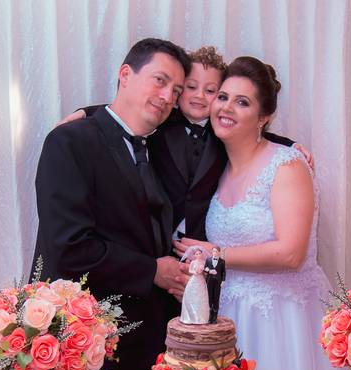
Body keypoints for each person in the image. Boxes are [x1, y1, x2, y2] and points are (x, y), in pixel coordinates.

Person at [175, 56, 351, 370]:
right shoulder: (217, 169)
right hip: (229, 317)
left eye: (242, 102)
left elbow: (291, 253)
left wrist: (216, 253)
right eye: (223, 97)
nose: (226, 108)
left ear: (264, 117)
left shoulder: (287, 165)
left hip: (283, 320)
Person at [31, 38, 191, 370]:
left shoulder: (160, 147)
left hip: (145, 347)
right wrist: (153, 270)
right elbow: (69, 245)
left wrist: (286, 144)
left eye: (176, 91)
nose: (167, 97)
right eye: (160, 80)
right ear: (125, 75)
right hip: (79, 340)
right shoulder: (70, 141)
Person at [60, 46, 310, 249]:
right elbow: (125, 111)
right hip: (158, 243)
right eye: (190, 87)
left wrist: (291, 144)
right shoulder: (159, 123)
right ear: (178, 90)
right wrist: (85, 112)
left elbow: (254, 132)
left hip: (203, 243)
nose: (199, 96)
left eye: (211, 91)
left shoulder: (223, 132)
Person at [179, 246, 209, 324]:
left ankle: (202, 317)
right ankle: (191, 317)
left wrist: (204, 271)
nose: (198, 255)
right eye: (196, 254)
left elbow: (206, 270)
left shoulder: (203, 262)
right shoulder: (193, 262)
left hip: (201, 279)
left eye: (199, 253)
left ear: (201, 254)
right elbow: (190, 270)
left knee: (201, 295)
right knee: (191, 293)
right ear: (194, 255)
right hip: (195, 278)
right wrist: (195, 272)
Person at [204, 246, 225, 323]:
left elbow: (223, 272)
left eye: (216, 251)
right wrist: (209, 271)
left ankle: (215, 317)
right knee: (209, 298)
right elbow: (205, 268)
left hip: (218, 282)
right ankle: (209, 316)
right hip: (209, 281)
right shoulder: (208, 259)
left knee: (216, 298)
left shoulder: (222, 261)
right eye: (213, 251)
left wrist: (223, 281)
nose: (214, 253)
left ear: (219, 252)